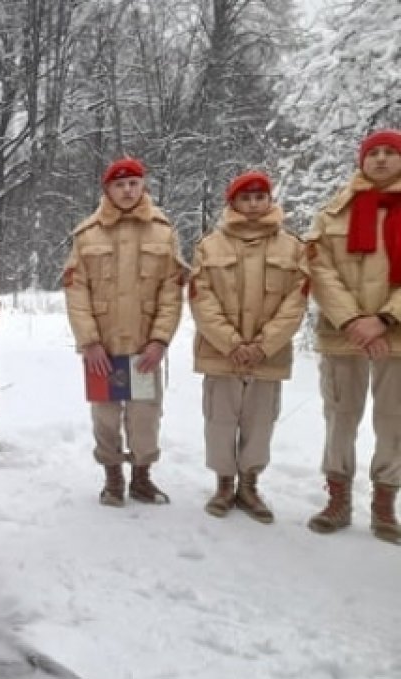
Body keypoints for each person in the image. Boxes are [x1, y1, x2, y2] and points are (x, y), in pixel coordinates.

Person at [63, 157, 186, 507]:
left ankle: (142, 477)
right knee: (105, 415)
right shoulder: (87, 235)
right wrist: (88, 342)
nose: (127, 190)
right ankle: (112, 477)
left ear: (143, 186)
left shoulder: (163, 232)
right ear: (107, 190)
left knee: (145, 415)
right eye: (119, 185)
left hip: (143, 347)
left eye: (133, 183)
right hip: (102, 347)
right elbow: (76, 292)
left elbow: (171, 292)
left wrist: (160, 339)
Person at [189, 171, 308, 523]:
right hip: (220, 352)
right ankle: (225, 484)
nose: (254, 203)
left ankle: (250, 485)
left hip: (267, 355)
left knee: (260, 422)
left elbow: (296, 302)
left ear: (270, 200)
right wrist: (231, 342)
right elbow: (201, 299)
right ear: (233, 203)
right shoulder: (210, 245)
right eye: (246, 197)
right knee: (220, 420)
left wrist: (263, 344)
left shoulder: (293, 246)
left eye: (260, 196)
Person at [306, 129, 401, 544]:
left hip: (395, 336)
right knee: (340, 417)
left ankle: (384, 503)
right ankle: (338, 496)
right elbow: (319, 270)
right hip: (343, 335)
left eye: (390, 153)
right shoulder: (334, 213)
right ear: (362, 160)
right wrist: (352, 322)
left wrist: (383, 319)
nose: (380, 160)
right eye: (373, 153)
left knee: (394, 422)